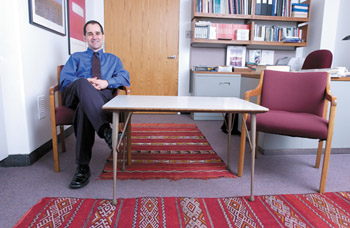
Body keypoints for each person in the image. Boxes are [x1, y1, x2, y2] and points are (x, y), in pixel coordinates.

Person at [59, 20, 130, 189]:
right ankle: (106, 130)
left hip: (100, 99)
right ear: (85, 37)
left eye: (97, 33)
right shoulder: (76, 57)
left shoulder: (113, 59)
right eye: (90, 34)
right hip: (75, 96)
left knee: (84, 108)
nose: (94, 37)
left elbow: (124, 78)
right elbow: (64, 80)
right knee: (83, 83)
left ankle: (83, 167)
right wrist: (85, 81)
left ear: (103, 36)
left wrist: (107, 82)